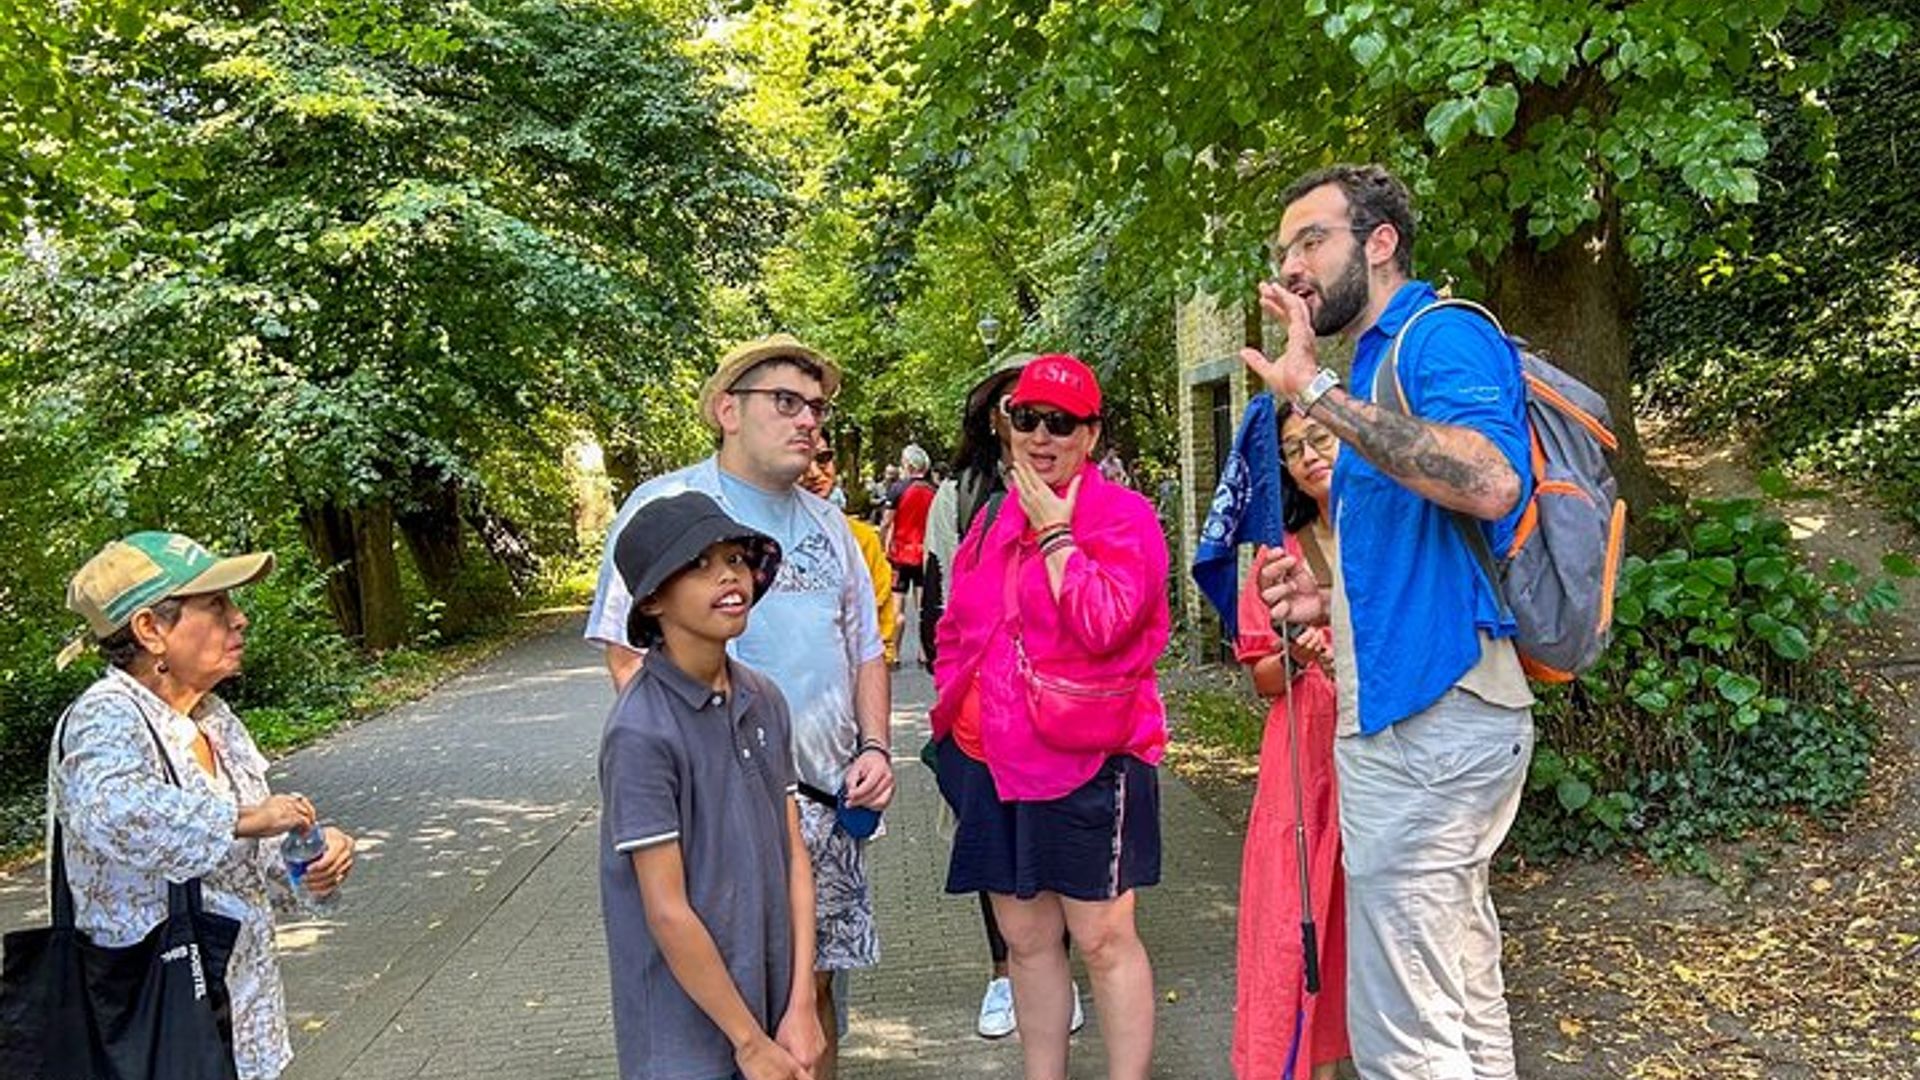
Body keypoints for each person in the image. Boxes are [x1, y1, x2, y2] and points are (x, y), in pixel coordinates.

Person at [1242, 164, 1536, 1079]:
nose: (1292, 267)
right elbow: (1424, 553)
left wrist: (1316, 394)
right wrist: (1328, 604)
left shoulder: (1435, 335)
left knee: (1402, 1032)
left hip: (1431, 717)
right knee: (1459, 986)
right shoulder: (1375, 363)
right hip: (1423, 708)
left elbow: (1491, 481)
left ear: (1380, 243)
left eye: (1311, 241)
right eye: (1283, 249)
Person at [588, 334, 895, 1080]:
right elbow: (625, 650)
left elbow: (865, 649)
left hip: (817, 802)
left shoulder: (830, 526)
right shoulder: (663, 507)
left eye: (817, 409)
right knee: (714, 989)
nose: (808, 423)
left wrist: (877, 748)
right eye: (786, 403)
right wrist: (699, 758)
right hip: (708, 814)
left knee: (810, 1001)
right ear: (729, 409)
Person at [930, 354, 1168, 1080]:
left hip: (1088, 760)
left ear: (1090, 436)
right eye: (1026, 419)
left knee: (1101, 939)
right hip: (991, 761)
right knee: (1025, 940)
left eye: (1061, 423)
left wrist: (1059, 536)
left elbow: (1107, 624)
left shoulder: (1121, 517)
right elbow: (957, 628)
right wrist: (949, 710)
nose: (1041, 436)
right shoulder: (992, 517)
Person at [48, 531, 358, 1080]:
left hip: (240, 1021)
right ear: (150, 630)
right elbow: (109, 810)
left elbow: (247, 868)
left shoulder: (214, 719)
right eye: (216, 605)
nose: (239, 619)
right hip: (156, 1029)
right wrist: (244, 819)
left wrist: (310, 867)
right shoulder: (106, 716)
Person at [597, 491, 823, 1080]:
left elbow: (796, 856)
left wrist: (801, 1003)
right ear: (651, 601)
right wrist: (748, 1043)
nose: (727, 574)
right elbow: (667, 912)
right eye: (697, 564)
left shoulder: (764, 698)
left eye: (735, 557)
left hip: (775, 1011)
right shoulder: (640, 730)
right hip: (684, 1041)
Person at [1232, 408, 1350, 1080]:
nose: (1307, 456)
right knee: (1301, 923)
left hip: (1386, 748)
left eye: (1319, 439)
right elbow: (1263, 679)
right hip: (1306, 755)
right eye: (1292, 449)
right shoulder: (1279, 551)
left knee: (1377, 922)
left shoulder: (1391, 528)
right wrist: (1301, 658)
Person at [801, 438, 896, 659]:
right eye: (803, 461)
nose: (814, 472)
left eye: (823, 459)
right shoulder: (763, 542)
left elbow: (881, 624)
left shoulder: (861, 539)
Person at [880, 444, 935, 667]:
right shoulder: (933, 489)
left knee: (897, 607)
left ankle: (894, 654)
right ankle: (924, 653)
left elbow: (886, 522)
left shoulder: (897, 489)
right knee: (923, 607)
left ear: (908, 464)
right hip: (924, 554)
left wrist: (882, 544)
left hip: (900, 555)